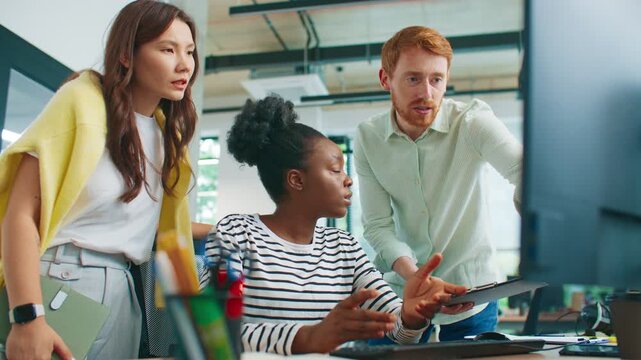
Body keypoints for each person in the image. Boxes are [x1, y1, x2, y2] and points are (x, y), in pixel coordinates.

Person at [0, 1, 207, 359]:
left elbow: (158, 229)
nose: (184, 64)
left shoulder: (165, 133)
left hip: (126, 288)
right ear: (127, 55)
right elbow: (20, 215)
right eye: (167, 49)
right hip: (63, 277)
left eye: (189, 51)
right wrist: (27, 316)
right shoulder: (82, 100)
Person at [204, 96, 472, 355]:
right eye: (335, 170)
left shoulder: (344, 247)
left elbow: (398, 331)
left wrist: (411, 316)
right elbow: (211, 331)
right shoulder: (236, 234)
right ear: (297, 180)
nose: (348, 180)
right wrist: (309, 337)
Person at [354, 26, 523, 342]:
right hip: (402, 292)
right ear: (385, 79)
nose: (427, 93)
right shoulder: (368, 138)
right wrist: (414, 276)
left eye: (437, 79)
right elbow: (377, 225)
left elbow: (524, 172)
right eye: (413, 78)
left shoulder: (472, 122)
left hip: (471, 294)